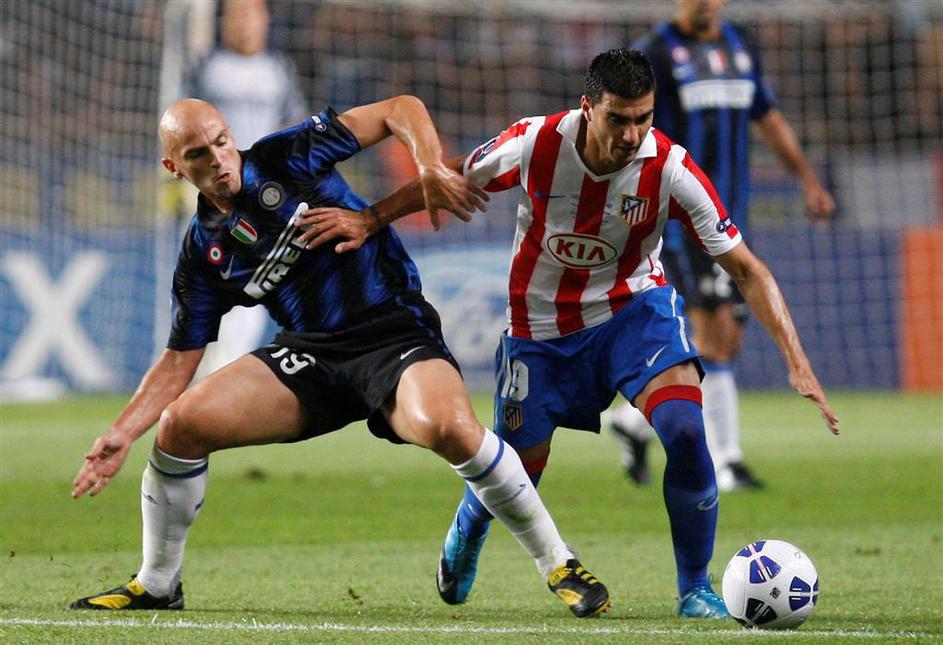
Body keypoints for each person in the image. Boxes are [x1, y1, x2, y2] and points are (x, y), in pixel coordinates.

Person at [297, 48, 838, 619]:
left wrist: (797, 360)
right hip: (541, 330)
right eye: (618, 119)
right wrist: (369, 218)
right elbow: (450, 174)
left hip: (633, 313)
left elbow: (748, 269)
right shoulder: (535, 143)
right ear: (587, 108)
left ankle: (694, 589)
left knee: (684, 429)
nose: (631, 135)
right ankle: (470, 523)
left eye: (643, 119)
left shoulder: (670, 168)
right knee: (519, 468)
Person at [68, 95, 611, 619]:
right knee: (180, 425)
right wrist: (123, 432)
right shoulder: (204, 254)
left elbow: (400, 109)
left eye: (222, 142)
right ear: (174, 167)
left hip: (392, 331)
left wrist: (427, 166)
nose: (218, 159)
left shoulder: (286, 156)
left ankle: (558, 563)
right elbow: (179, 359)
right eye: (198, 155)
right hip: (311, 354)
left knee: (449, 428)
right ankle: (158, 583)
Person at [607, 0, 837, 491]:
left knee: (727, 337)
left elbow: (767, 117)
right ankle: (725, 460)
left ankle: (631, 424)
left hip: (731, 213)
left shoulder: (740, 44)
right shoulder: (656, 52)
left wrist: (807, 179)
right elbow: (629, 131)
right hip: (679, 216)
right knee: (714, 331)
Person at [181, 0, 309, 380]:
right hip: (214, 191)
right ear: (224, 23)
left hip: (263, 194)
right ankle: (208, 376)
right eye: (237, 16)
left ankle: (213, 378)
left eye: (252, 15)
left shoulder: (279, 71)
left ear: (265, 21)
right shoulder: (205, 68)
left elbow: (294, 127)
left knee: (252, 287)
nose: (245, 24)